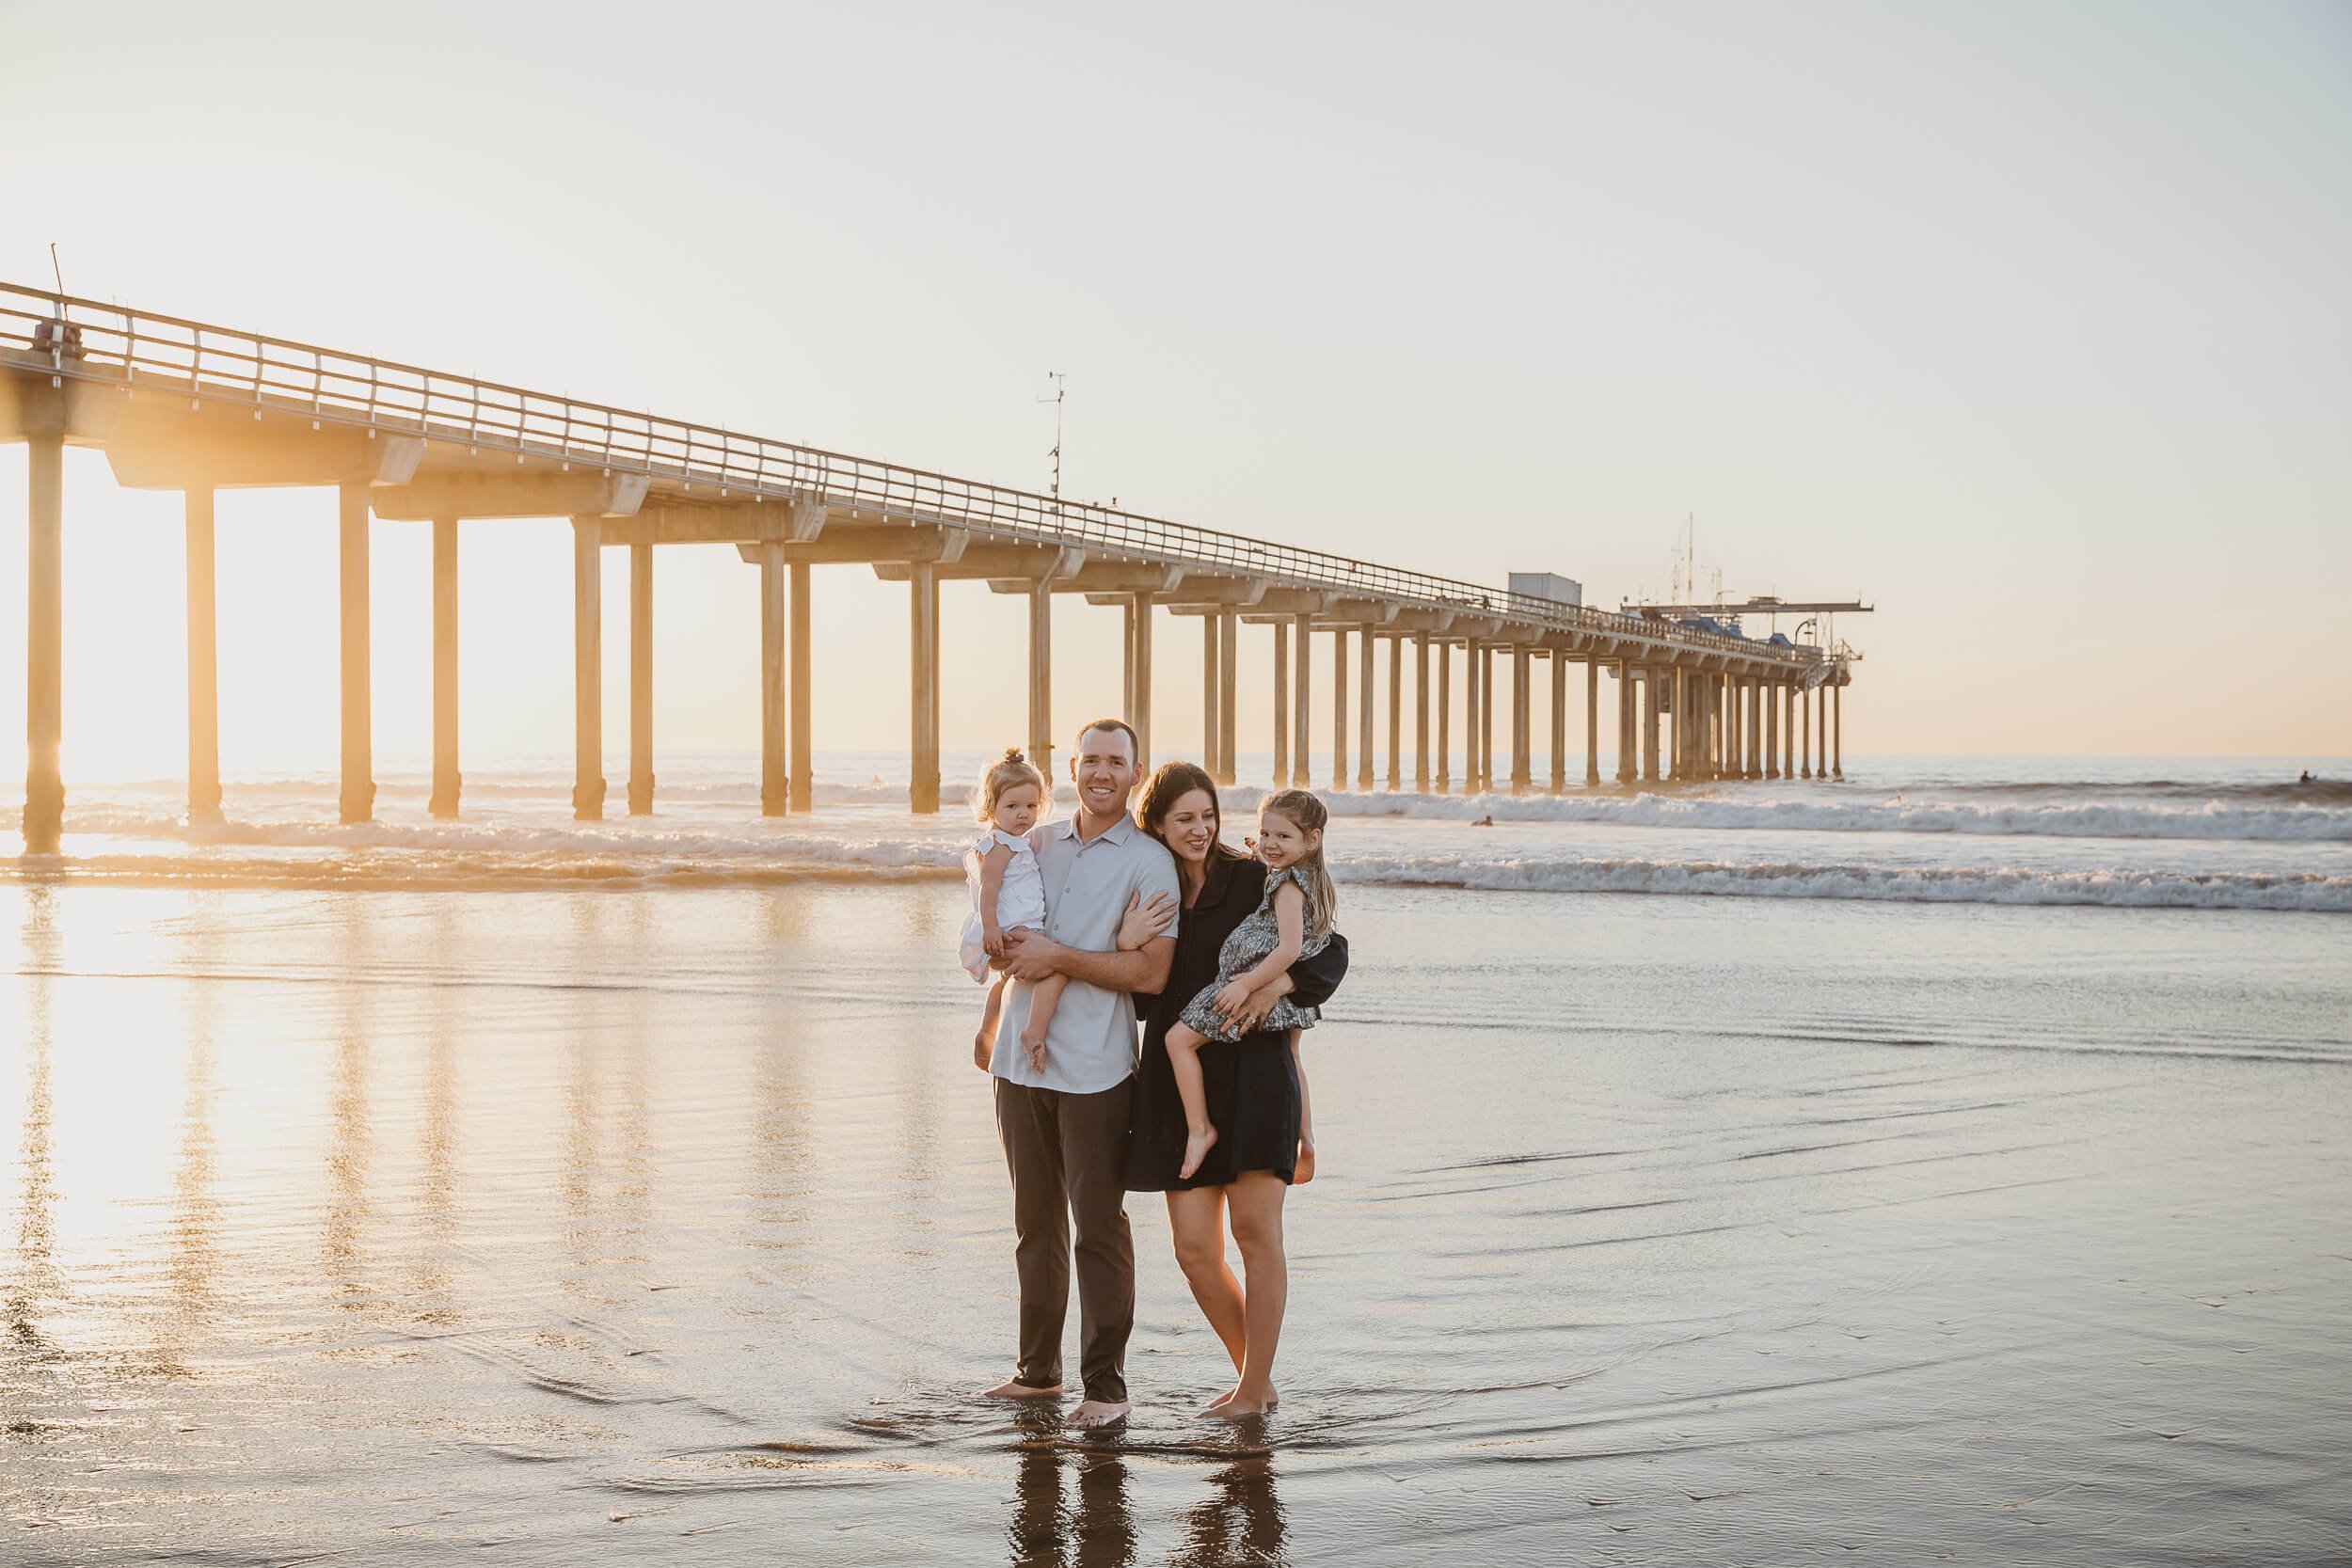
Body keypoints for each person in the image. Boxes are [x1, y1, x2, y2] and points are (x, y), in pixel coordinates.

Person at [1122, 762, 1350, 1420]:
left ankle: (1252, 1389)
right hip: (1179, 1086)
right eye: (1184, 818)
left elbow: (1328, 951)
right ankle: (1258, 1379)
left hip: (1254, 1077)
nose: (1200, 829)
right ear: (1157, 825)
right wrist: (1126, 940)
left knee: (1256, 1236)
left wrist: (1278, 985)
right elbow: (1141, 995)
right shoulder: (1148, 888)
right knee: (1195, 1251)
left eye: (1208, 814)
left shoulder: (1255, 876)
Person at [983, 720, 1181, 1430]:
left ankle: (1106, 1387)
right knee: (1033, 1225)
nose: (1102, 771)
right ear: (1073, 766)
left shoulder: (1150, 863)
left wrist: (1064, 956)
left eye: (1115, 761)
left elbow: (1149, 972)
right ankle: (1037, 1374)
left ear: (1135, 771)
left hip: (1095, 1070)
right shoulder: (1032, 841)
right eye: (1091, 759)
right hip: (1017, 1063)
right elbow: (1007, 941)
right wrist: (991, 1012)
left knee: (1097, 1226)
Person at [1160, 790, 1336, 1180]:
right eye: (1266, 834)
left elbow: (1289, 947)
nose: (1272, 844)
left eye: (1283, 837)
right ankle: (1305, 1138)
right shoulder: (1310, 878)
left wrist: (1246, 986)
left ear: (1313, 839)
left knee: (1177, 1041)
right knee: (1293, 1058)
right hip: (1285, 999)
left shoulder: (1288, 885)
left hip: (1252, 984)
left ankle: (1200, 1129)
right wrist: (1264, 856)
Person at [961, 748, 1065, 1074]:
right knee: (1058, 969)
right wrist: (991, 929)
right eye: (1013, 807)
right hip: (1013, 927)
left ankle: (987, 1031)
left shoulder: (1016, 842)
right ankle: (1034, 1030)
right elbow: (988, 890)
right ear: (991, 808)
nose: (1024, 814)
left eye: (1031, 806)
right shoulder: (999, 845)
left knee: (1005, 980)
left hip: (1016, 925)